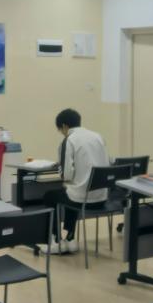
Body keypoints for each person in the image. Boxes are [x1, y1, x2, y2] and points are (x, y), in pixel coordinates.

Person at [47, 107, 110, 255]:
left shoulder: (68, 140)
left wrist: (60, 166)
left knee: (51, 196)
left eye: (60, 130)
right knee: (71, 190)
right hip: (102, 198)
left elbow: (66, 176)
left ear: (64, 126)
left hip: (81, 200)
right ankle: (70, 238)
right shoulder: (98, 137)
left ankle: (56, 240)